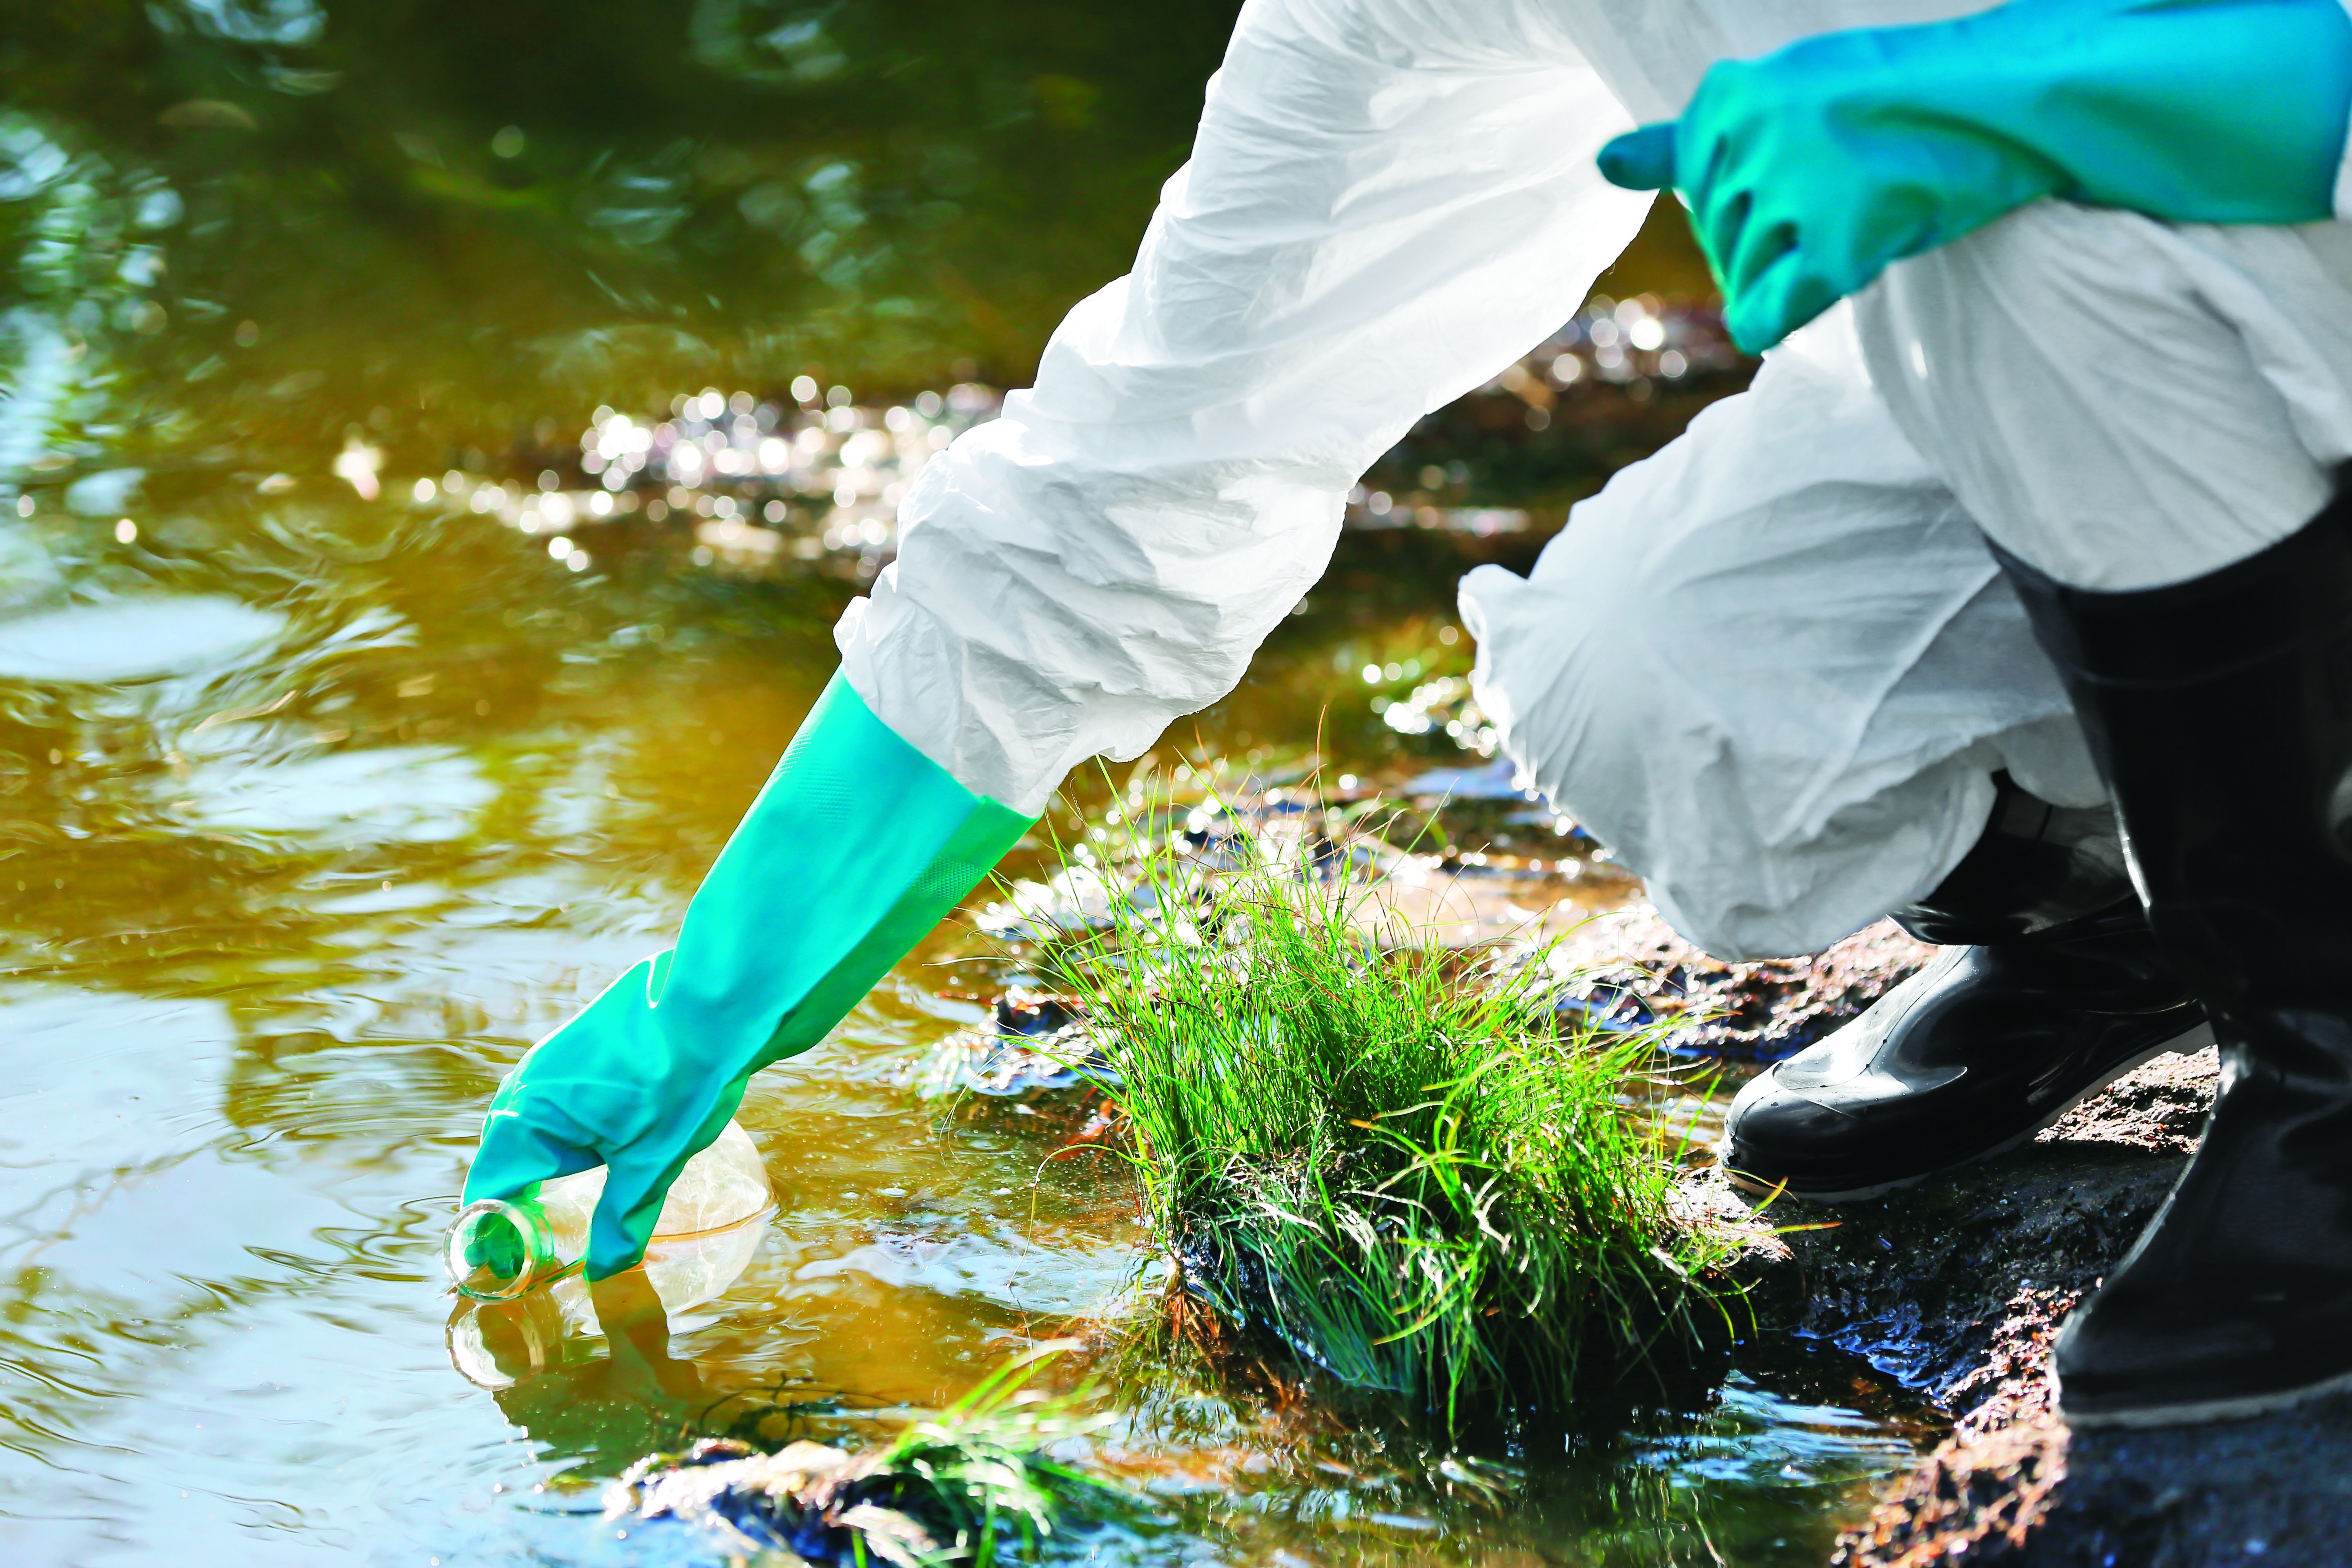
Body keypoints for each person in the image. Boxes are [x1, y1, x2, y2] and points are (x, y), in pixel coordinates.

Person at [464, 0, 2352, 1430]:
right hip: (2170, 397)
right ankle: (2147, 912)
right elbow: (1154, 459)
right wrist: (711, 998)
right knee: (1659, 679)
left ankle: (2325, 1061)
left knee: (2021, 209)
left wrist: (2047, 87)